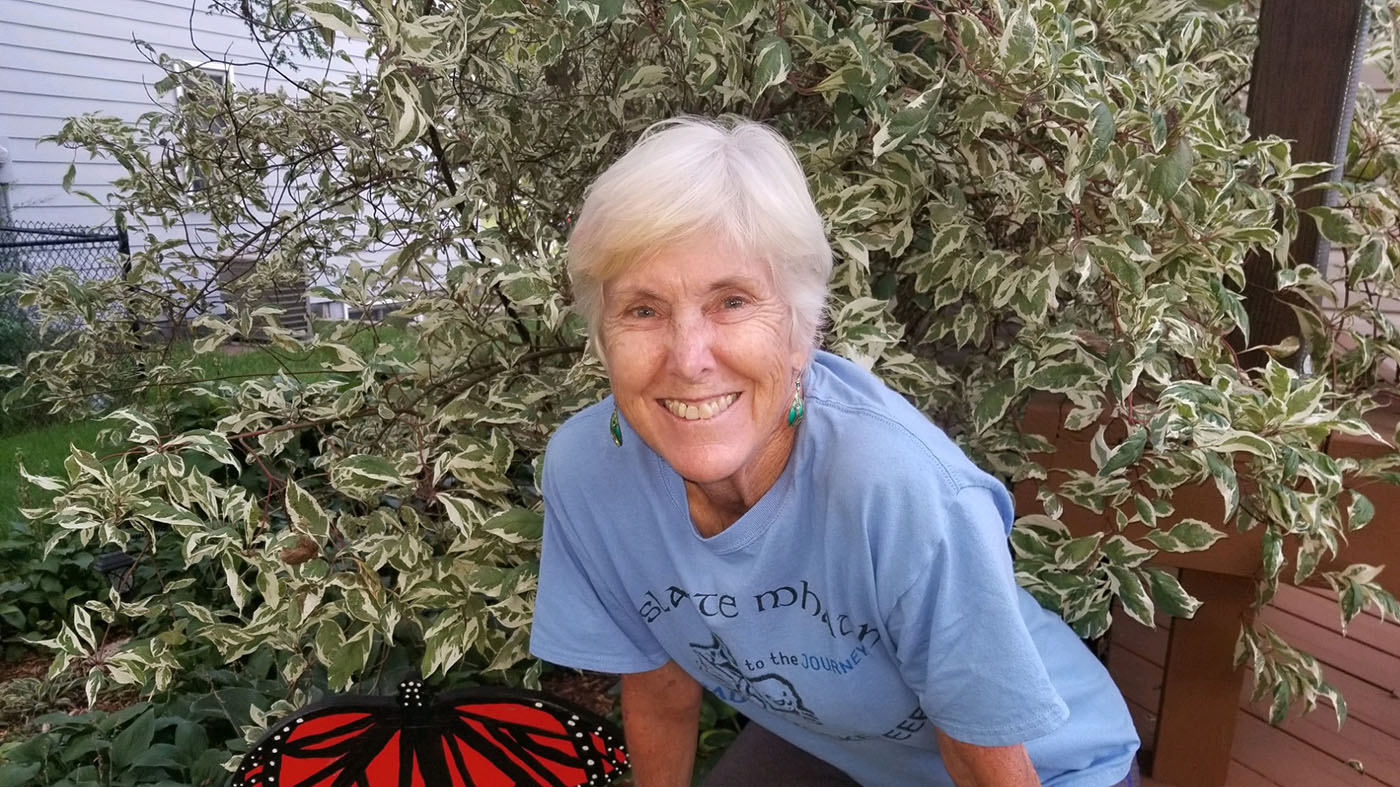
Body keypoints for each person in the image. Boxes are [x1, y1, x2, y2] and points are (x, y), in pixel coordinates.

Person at [529, 116, 1140, 786]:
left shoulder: (898, 488)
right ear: (601, 336)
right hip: (846, 746)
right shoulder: (588, 472)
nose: (689, 358)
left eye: (731, 302)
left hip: (1044, 766)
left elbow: (984, 759)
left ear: (801, 330)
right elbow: (660, 684)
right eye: (643, 310)